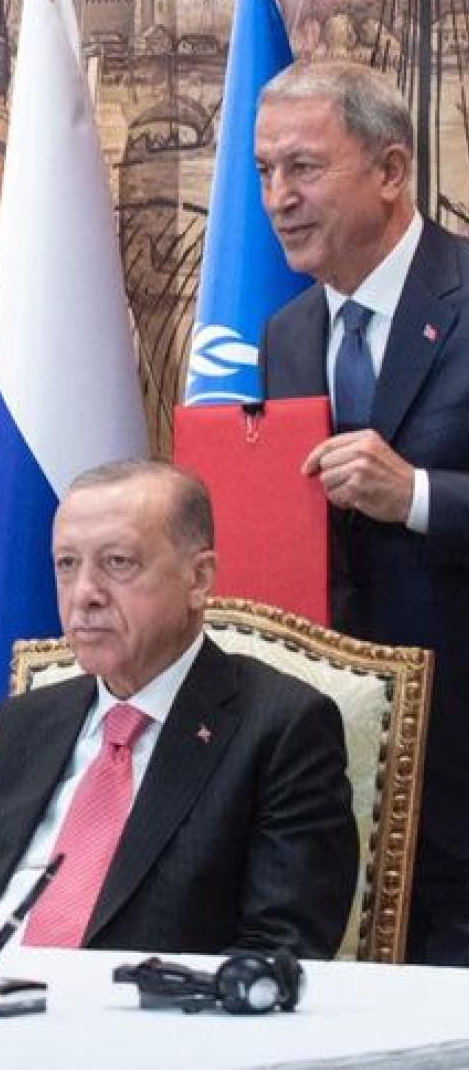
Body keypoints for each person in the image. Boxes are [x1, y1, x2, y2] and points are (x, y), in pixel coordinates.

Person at [0, 461, 357, 957]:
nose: (85, 594)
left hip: (139, 1022)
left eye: (118, 562)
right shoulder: (20, 725)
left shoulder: (280, 727)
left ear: (198, 578)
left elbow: (279, 951)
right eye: (67, 564)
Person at [258, 60, 469, 965]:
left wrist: (416, 497)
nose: (278, 197)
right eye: (264, 172)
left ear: (390, 171)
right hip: (336, 763)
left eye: (302, 167)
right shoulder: (289, 334)